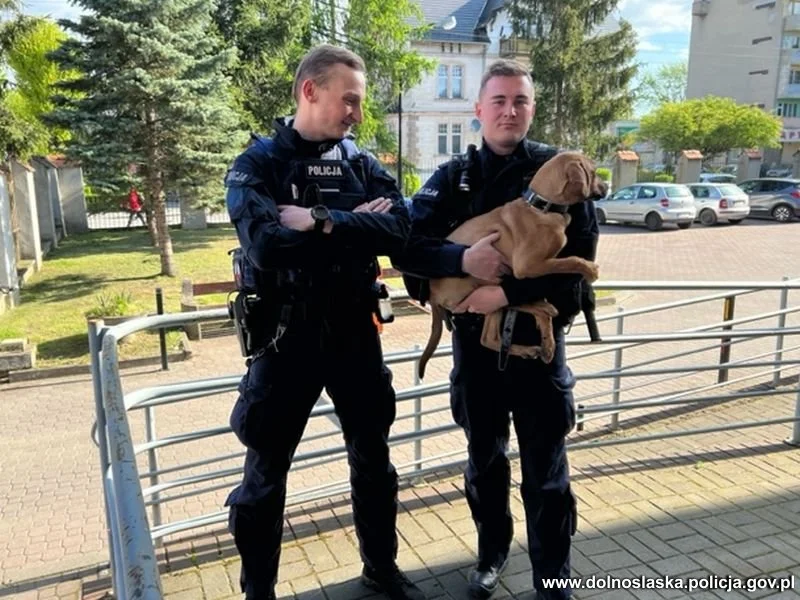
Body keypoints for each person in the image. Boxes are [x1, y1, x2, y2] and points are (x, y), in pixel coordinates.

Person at [223, 44, 425, 600]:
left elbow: (400, 232)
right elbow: (266, 248)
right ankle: (257, 592)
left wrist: (321, 220)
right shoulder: (257, 164)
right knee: (265, 477)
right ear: (310, 91)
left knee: (374, 461)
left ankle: (380, 570)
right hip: (286, 338)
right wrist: (356, 225)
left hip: (355, 333)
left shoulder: (360, 164)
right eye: (350, 100)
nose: (358, 114)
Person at [393, 59, 599, 600]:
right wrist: (463, 261)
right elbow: (410, 254)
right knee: (484, 466)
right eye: (500, 101)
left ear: (532, 108)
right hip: (476, 358)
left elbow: (579, 278)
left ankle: (553, 578)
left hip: (537, 355)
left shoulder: (563, 176)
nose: (510, 111)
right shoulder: (452, 178)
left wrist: (503, 293)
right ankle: (491, 554)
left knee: (547, 476)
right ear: (478, 110)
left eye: (521, 101)